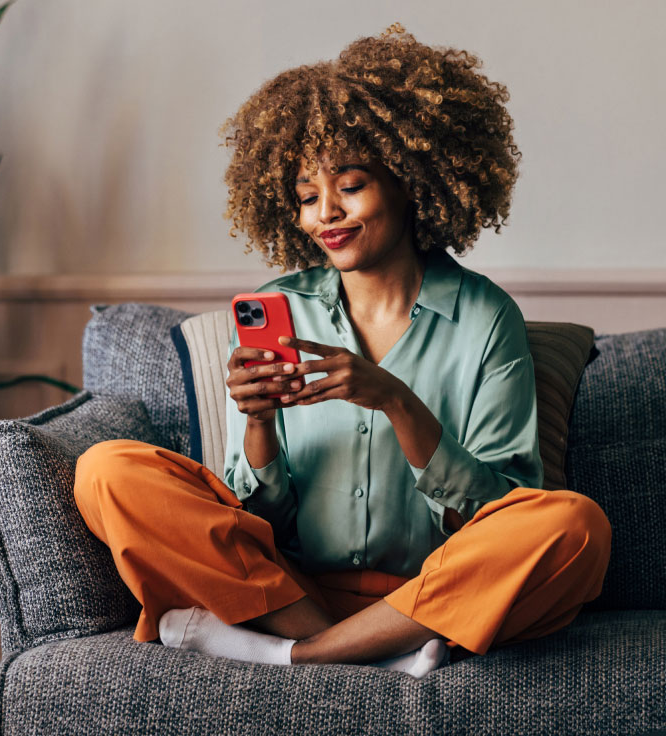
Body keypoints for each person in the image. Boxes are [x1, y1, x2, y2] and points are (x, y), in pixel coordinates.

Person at [73, 24, 611, 679]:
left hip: (432, 595)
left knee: (573, 526)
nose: (325, 213)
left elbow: (501, 511)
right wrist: (259, 423)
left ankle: (303, 657)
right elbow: (252, 521)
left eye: (349, 186)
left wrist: (394, 399)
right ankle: (368, 654)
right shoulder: (281, 309)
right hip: (291, 591)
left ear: (411, 182)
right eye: (306, 197)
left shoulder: (484, 318)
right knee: (107, 471)